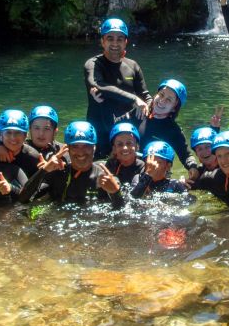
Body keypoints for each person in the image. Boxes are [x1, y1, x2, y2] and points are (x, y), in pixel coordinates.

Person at [84, 18, 151, 158]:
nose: (115, 43)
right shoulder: (93, 64)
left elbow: (145, 97)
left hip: (127, 135)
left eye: (120, 39)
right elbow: (98, 85)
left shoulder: (133, 66)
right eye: (110, 38)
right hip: (101, 131)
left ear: (125, 42)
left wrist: (152, 107)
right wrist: (134, 99)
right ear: (102, 41)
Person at [19, 121, 124, 207]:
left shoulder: (105, 177)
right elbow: (23, 199)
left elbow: (122, 212)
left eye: (86, 146)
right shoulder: (58, 174)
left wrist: (115, 193)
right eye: (75, 146)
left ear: (94, 148)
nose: (80, 152)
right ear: (67, 149)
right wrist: (44, 170)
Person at [133, 79, 202, 180]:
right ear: (156, 95)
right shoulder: (138, 113)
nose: (162, 100)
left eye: (169, 100)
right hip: (133, 168)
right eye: (161, 95)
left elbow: (186, 154)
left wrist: (193, 167)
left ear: (174, 108)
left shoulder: (173, 130)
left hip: (157, 176)